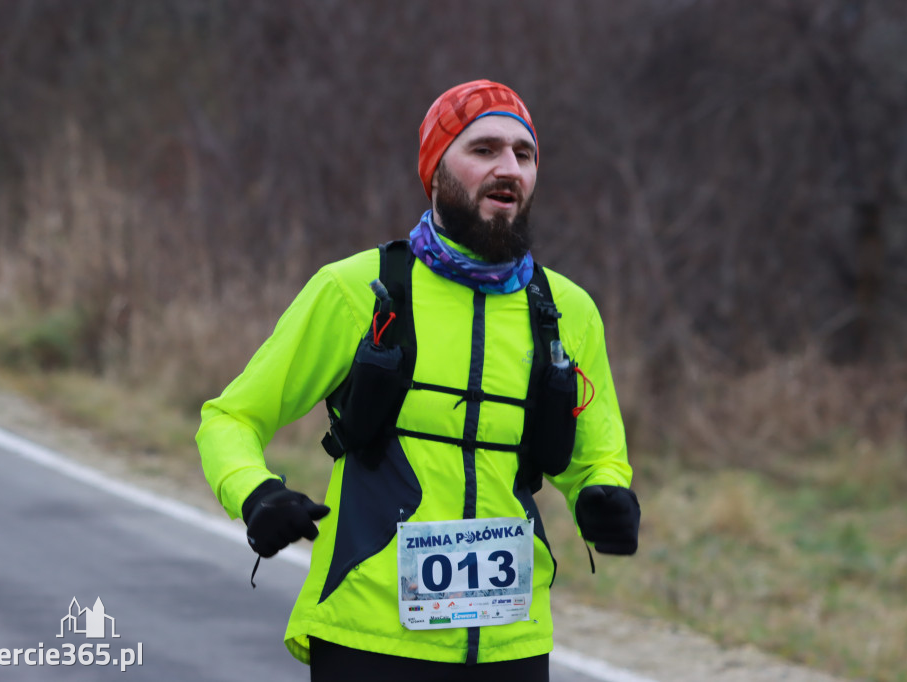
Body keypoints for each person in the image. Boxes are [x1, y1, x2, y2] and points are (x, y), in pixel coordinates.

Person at [196, 79, 640, 682]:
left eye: (523, 153)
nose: (508, 168)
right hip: (371, 635)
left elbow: (596, 456)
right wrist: (255, 494)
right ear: (436, 171)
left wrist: (604, 493)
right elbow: (231, 418)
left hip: (511, 642)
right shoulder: (359, 290)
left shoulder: (565, 310)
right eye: (484, 150)